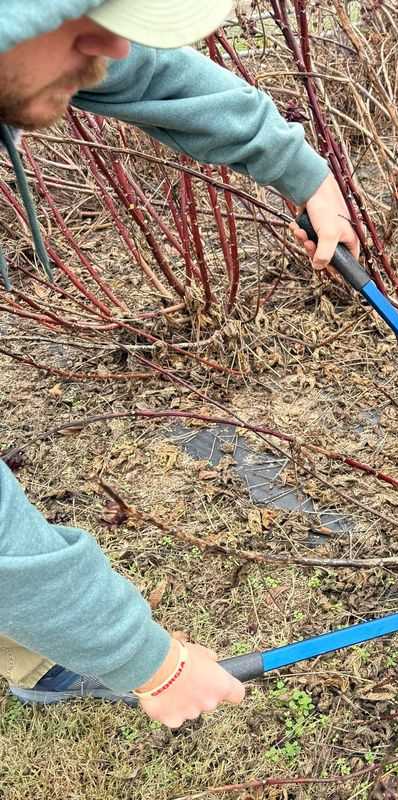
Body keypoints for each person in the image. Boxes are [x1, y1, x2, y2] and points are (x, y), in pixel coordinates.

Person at [0, 0, 359, 729]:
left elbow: (151, 72)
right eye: (77, 23)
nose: (115, 50)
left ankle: (34, 651)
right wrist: (148, 662)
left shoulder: (28, 52)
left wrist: (303, 174)